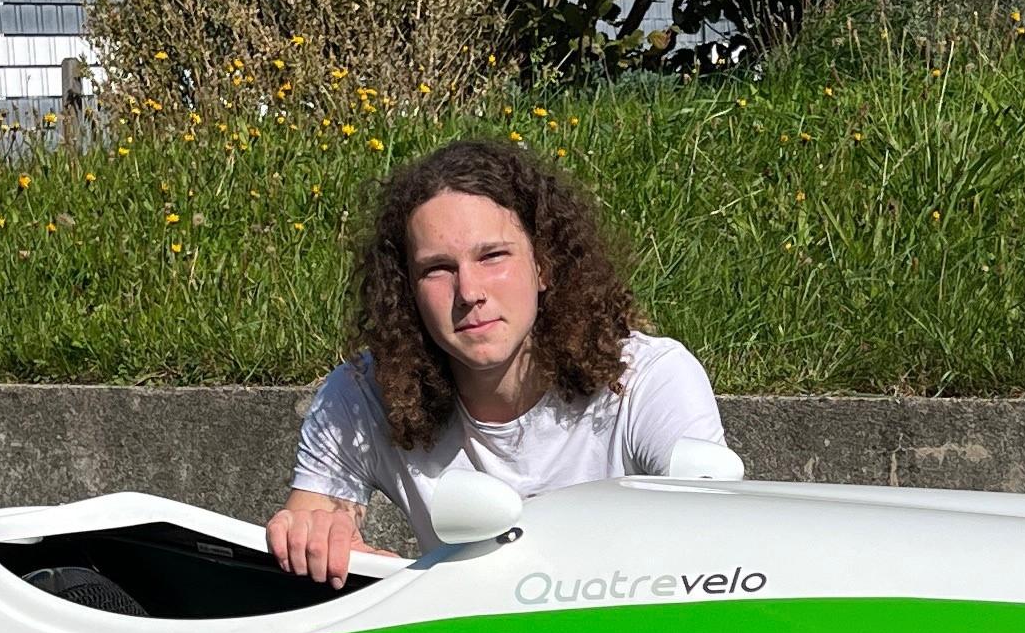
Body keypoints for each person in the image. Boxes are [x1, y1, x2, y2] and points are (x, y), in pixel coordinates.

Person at [268, 135, 727, 583]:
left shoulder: (647, 379)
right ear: (407, 289)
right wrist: (318, 537)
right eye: (437, 269)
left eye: (492, 256)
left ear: (543, 265)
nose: (469, 292)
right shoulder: (365, 393)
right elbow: (314, 520)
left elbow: (714, 541)